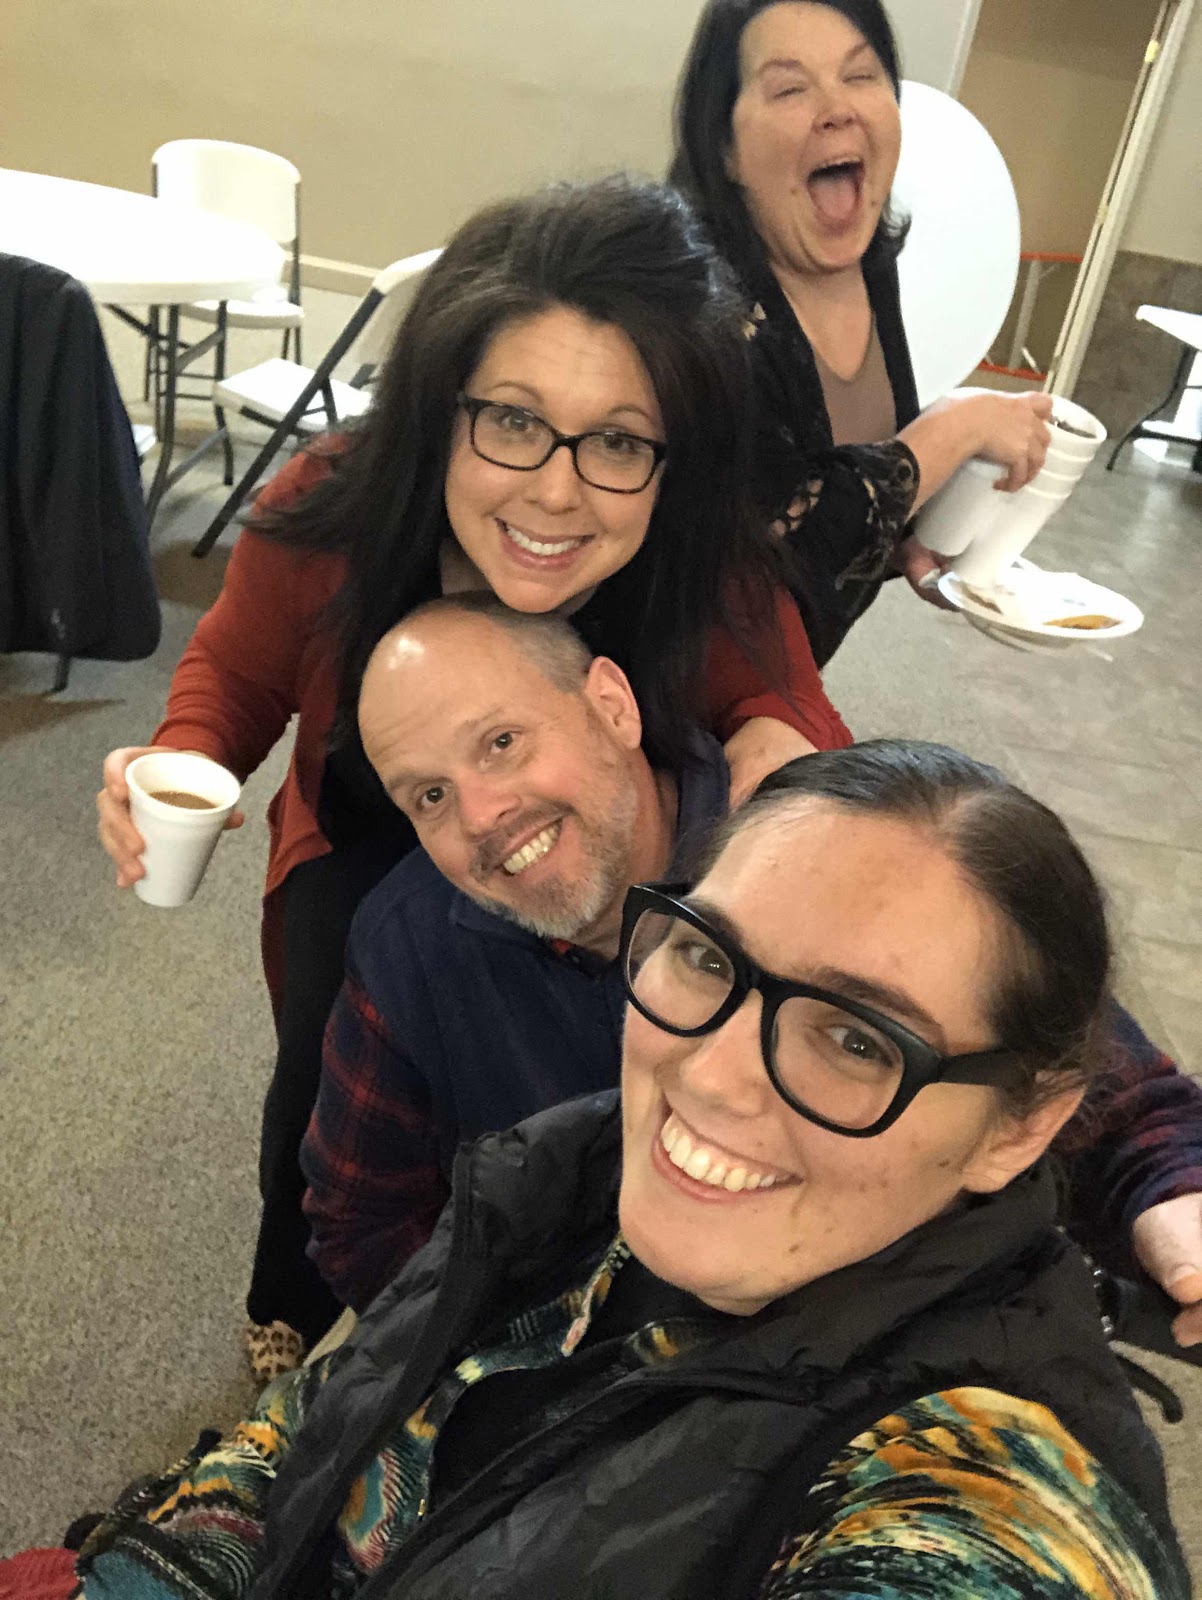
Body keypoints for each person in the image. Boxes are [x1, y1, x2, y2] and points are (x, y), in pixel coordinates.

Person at [69, 742, 1189, 1599]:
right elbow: (322, 1420)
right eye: (705, 954)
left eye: (857, 1040)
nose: (711, 1075)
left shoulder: (981, 1495)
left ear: (1021, 1126)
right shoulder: (574, 1164)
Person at [95, 174, 853, 1369]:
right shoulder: (334, 504)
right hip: (363, 836)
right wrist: (181, 758)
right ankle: (289, 1296)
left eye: (617, 441)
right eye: (510, 419)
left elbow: (802, 714)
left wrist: (774, 726)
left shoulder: (700, 550)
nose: (553, 490)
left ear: (674, 457)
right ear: (440, 407)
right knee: (323, 1081)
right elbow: (235, 668)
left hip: (586, 840)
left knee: (591, 1076)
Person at [302, 596, 1202, 1351]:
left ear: (612, 704)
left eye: (502, 742)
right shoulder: (408, 943)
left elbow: (1091, 1078)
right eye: (429, 795)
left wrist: (1175, 1202)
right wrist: (500, 1367)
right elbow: (361, 1214)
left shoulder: (832, 845)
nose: (481, 814)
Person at [671, 0, 1057, 664]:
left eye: (861, 76)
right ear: (724, 148)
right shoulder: (705, 313)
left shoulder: (867, 263)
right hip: (668, 687)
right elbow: (782, 563)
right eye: (790, 89)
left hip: (788, 674)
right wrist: (956, 428)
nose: (838, 109)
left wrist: (914, 540)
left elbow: (854, 473)